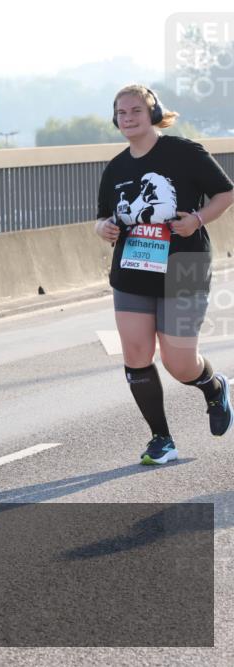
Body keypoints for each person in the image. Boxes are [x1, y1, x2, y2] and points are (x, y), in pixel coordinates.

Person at [95, 84, 234, 465]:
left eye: (136, 110)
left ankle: (212, 385)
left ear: (152, 112)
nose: (128, 118)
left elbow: (225, 193)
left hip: (185, 266)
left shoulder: (184, 152)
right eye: (121, 113)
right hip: (133, 268)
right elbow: (105, 217)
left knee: (179, 362)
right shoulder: (116, 167)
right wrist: (102, 228)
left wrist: (198, 219)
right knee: (136, 353)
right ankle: (161, 439)